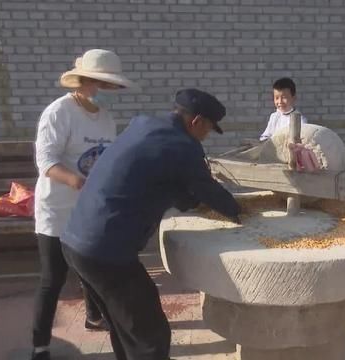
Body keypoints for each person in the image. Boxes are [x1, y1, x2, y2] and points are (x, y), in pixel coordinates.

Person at [60, 88, 241, 359]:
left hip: (74, 242)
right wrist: (241, 211)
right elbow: (209, 192)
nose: (206, 136)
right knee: (150, 335)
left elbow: (173, 188)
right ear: (196, 121)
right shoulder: (183, 146)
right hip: (106, 252)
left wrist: (193, 200)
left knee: (124, 326)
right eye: (208, 129)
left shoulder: (143, 125)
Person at [31, 49, 136, 360]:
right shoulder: (58, 113)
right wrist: (79, 182)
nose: (109, 92)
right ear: (86, 81)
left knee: (92, 269)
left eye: (112, 87)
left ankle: (94, 317)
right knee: (53, 279)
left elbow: (106, 161)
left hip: (88, 211)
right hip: (57, 209)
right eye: (105, 85)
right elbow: (46, 162)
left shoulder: (106, 119)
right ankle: (40, 345)